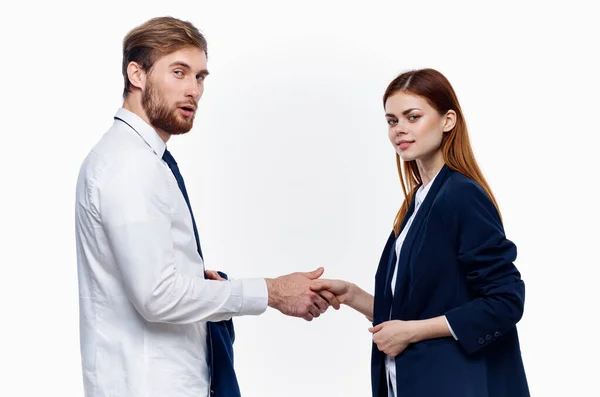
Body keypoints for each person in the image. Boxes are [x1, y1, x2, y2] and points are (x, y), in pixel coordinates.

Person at [74, 16, 335, 397]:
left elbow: (146, 277)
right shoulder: (130, 164)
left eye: (200, 77)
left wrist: (193, 276)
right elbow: (156, 296)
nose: (193, 90)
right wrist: (273, 292)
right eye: (178, 72)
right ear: (137, 74)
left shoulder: (140, 159)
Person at [312, 68, 530, 396]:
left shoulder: (460, 194)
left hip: (454, 383)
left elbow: (505, 302)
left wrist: (412, 332)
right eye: (392, 120)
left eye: (412, 117)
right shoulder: (418, 201)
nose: (400, 129)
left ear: (448, 120)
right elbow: (418, 312)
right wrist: (352, 295)